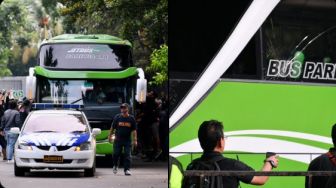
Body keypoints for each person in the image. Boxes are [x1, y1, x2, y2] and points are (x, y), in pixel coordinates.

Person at [182, 120, 279, 188]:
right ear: (220, 141)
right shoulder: (233, 165)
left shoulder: (192, 166)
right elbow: (260, 179)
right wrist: (270, 162)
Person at [108, 103, 137, 176]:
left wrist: (135, 140)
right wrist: (109, 136)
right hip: (118, 140)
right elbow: (112, 128)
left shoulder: (131, 118)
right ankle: (115, 165)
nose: (123, 109)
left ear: (128, 109)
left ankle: (127, 169)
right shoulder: (117, 117)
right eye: (122, 108)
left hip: (127, 140)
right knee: (115, 154)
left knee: (127, 155)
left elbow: (134, 130)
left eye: (124, 108)